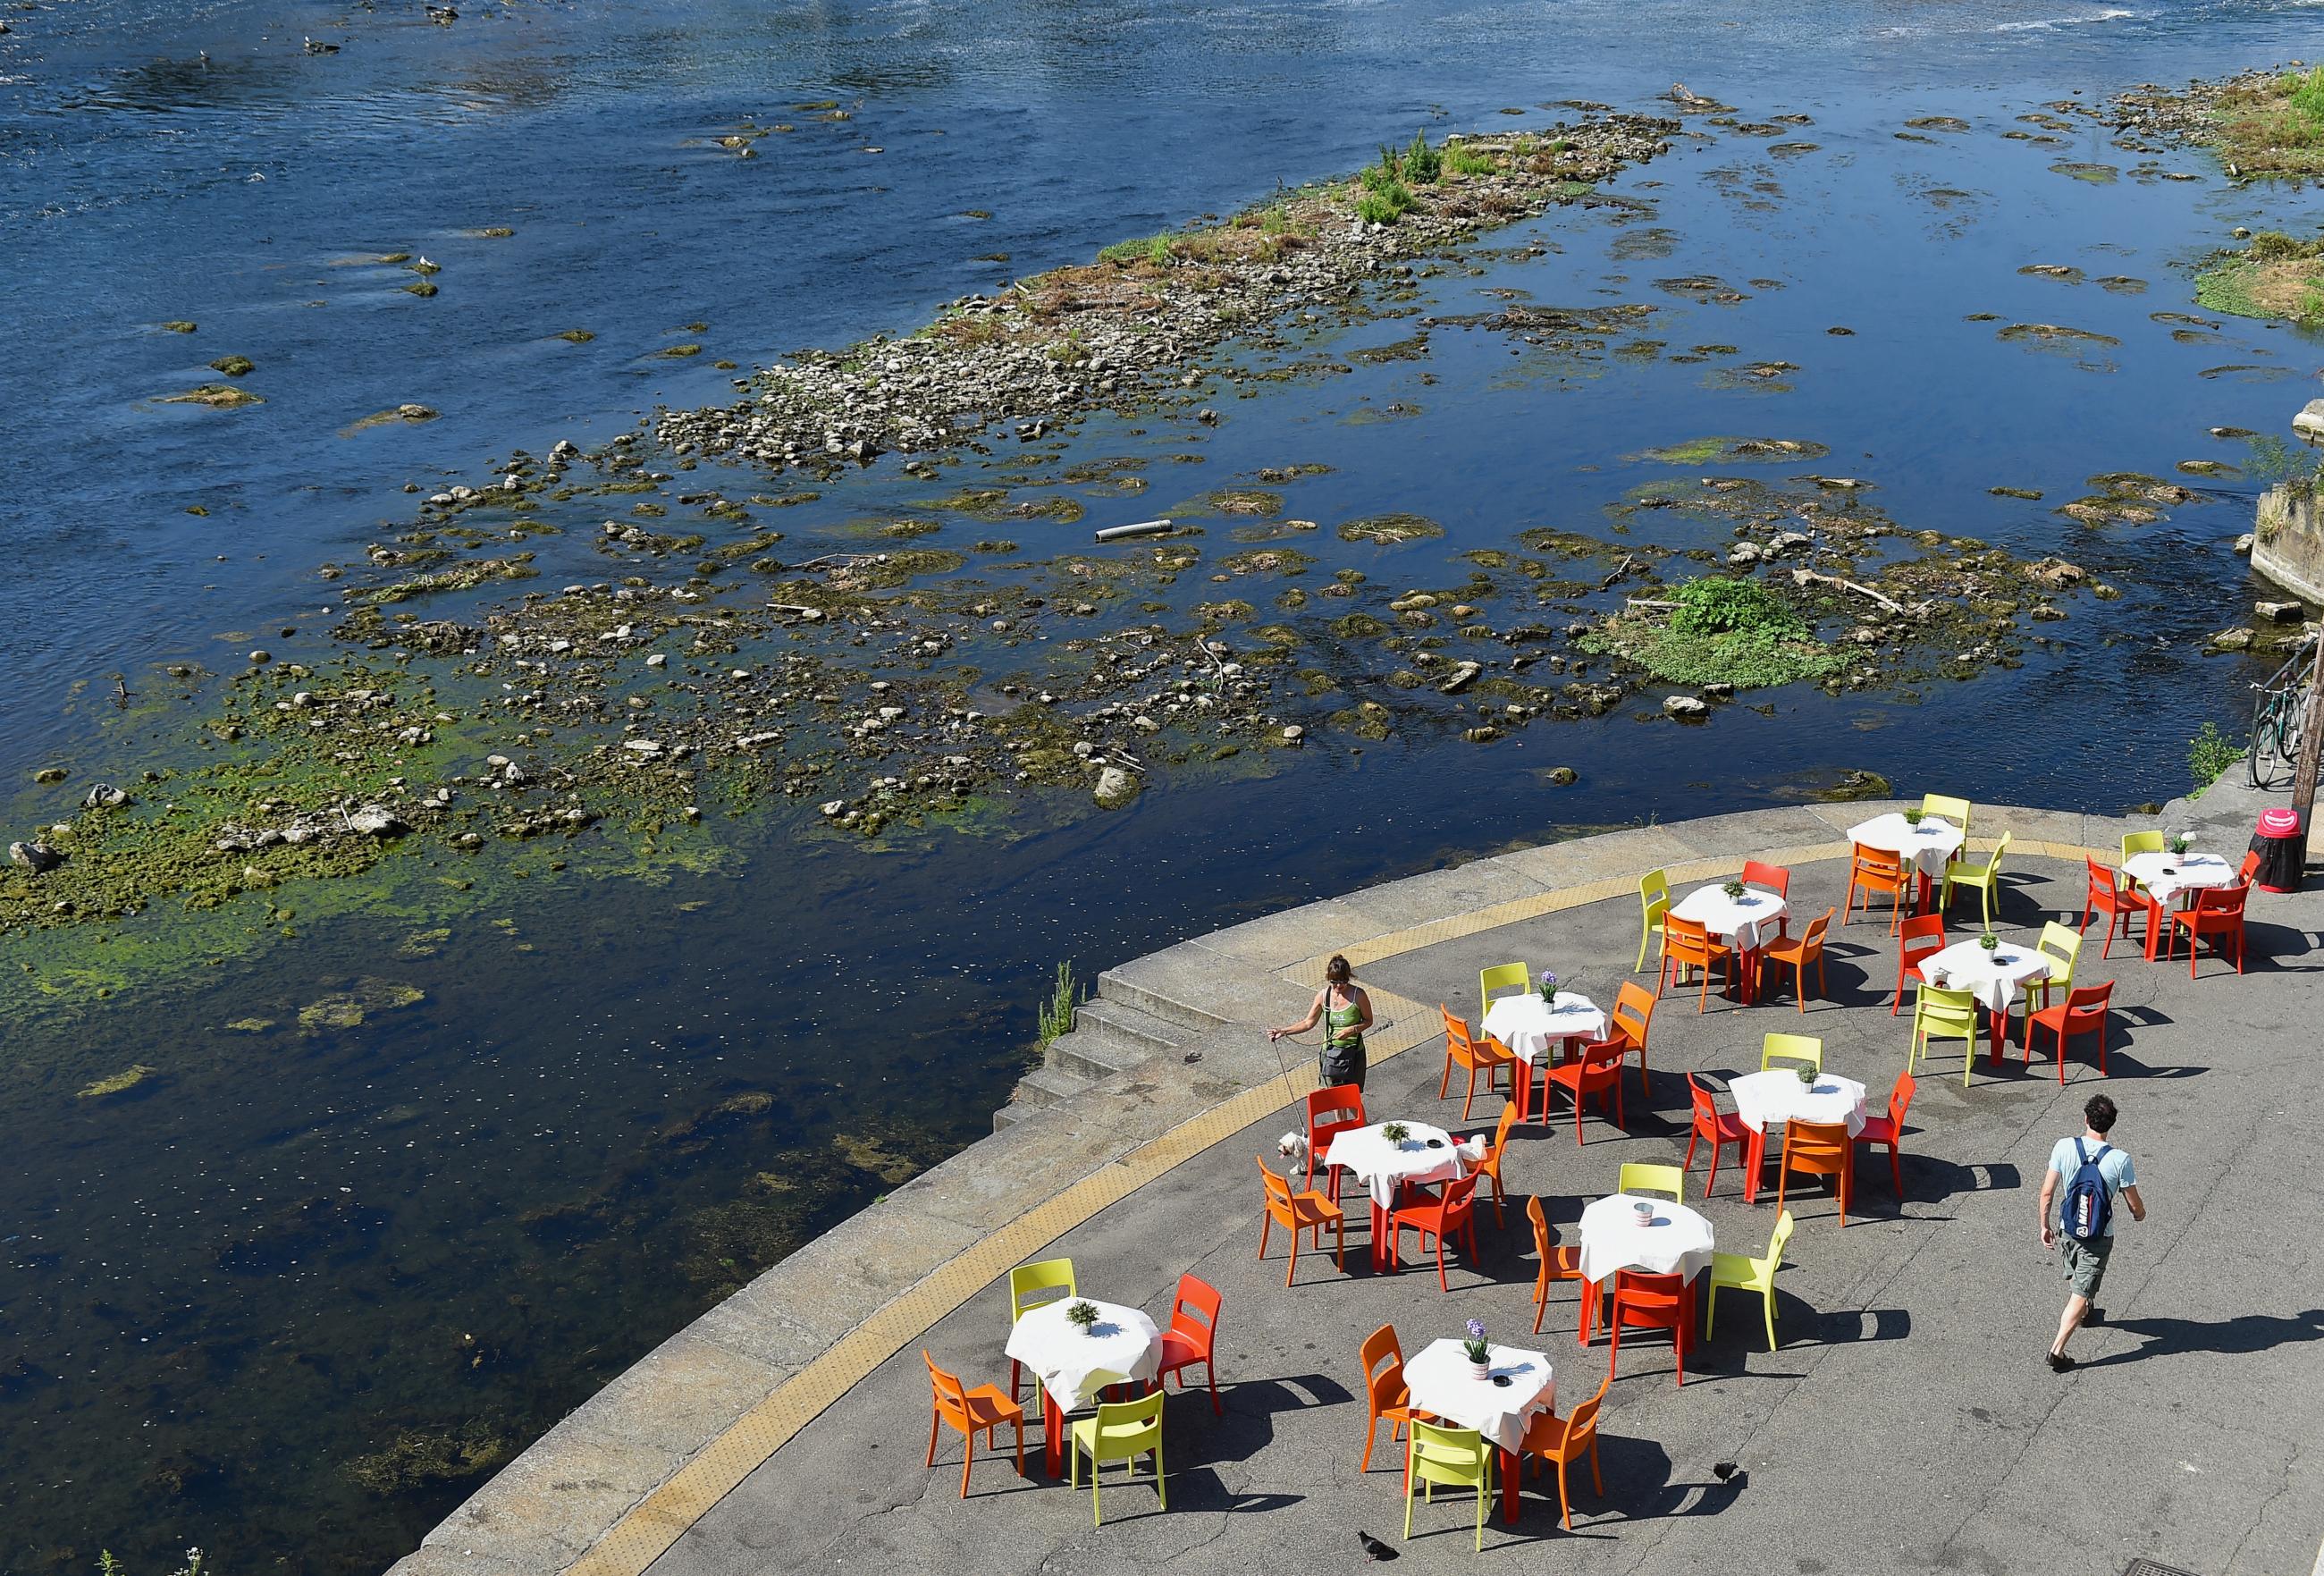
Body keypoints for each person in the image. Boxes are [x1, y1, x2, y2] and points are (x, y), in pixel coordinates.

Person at [2036, 1092, 2145, 1372]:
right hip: (2098, 1236)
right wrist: (2139, 1214)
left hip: (2068, 1229)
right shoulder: (2120, 1160)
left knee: (2077, 1275)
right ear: (2111, 1124)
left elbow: (2047, 1191)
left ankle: (2084, 1309)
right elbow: (2134, 1203)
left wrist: (2045, 1225)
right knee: (2080, 1291)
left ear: (2085, 1119)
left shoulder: (2064, 1147)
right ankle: (2057, 1351)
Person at [1269, 955, 1372, 1091]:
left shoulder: (1359, 995)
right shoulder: (1323, 996)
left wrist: (1351, 1030)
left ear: (1349, 977)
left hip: (1353, 1054)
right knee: (1335, 1099)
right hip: (1330, 1055)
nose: (1339, 985)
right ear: (1328, 979)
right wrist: (1283, 1032)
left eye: (1343, 981)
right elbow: (1308, 1023)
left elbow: (1369, 1021)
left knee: (1352, 1099)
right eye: (1334, 981)